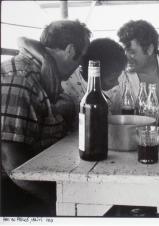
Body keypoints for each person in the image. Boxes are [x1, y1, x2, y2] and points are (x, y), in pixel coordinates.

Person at [1, 20, 91, 215]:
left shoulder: (43, 74)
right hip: (13, 192)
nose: (78, 67)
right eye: (80, 57)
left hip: (35, 181)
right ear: (69, 50)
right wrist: (61, 200)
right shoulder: (21, 79)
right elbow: (11, 162)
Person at [18, 37, 127, 119]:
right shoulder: (65, 78)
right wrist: (46, 59)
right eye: (112, 79)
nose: (117, 83)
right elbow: (22, 40)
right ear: (96, 73)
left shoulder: (108, 91)